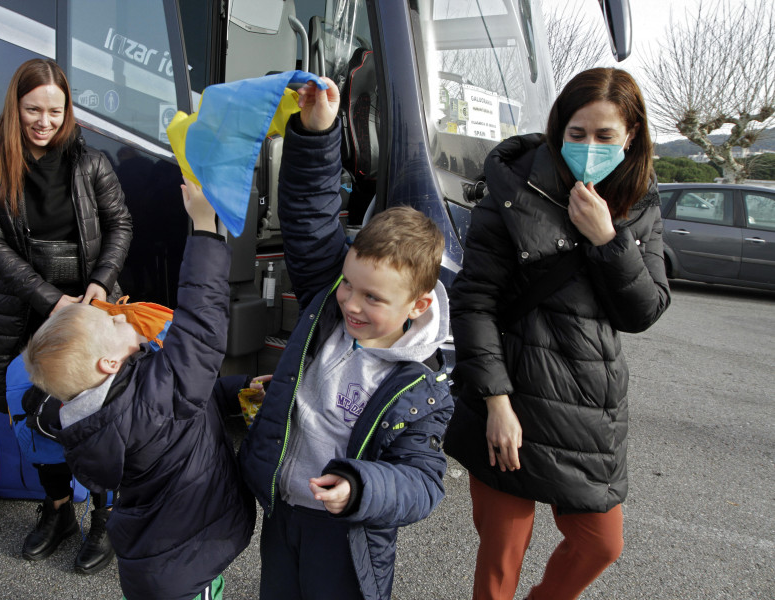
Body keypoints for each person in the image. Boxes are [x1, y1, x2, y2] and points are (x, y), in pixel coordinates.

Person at [446, 67, 671, 600]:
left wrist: (609, 240)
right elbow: (474, 300)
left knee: (600, 544)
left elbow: (643, 310)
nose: (589, 145)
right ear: (558, 128)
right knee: (501, 560)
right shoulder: (513, 186)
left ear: (631, 135)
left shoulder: (639, 200)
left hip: (588, 404)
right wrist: (496, 404)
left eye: (605, 135)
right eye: (577, 133)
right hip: (512, 399)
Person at [238, 76, 455, 600]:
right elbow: (311, 219)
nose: (351, 304)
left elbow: (423, 482)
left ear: (418, 305)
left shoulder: (421, 388)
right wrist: (317, 134)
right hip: (283, 513)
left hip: (347, 536)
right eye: (348, 286)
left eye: (373, 298)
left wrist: (360, 487)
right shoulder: (330, 308)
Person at [21, 180, 256, 600]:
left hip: (156, 563)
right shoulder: (151, 396)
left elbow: (189, 407)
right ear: (108, 363)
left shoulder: (104, 410)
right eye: (111, 322)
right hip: (186, 567)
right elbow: (201, 329)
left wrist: (238, 392)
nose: (121, 317)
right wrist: (205, 227)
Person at [0, 58, 132, 571]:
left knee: (102, 414)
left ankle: (105, 522)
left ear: (68, 110)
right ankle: (58, 511)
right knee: (32, 413)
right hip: (23, 306)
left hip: (90, 306)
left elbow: (120, 224)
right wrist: (48, 298)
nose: (44, 121)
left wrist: (97, 284)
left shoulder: (92, 162)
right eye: (32, 110)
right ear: (14, 110)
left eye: (54, 110)